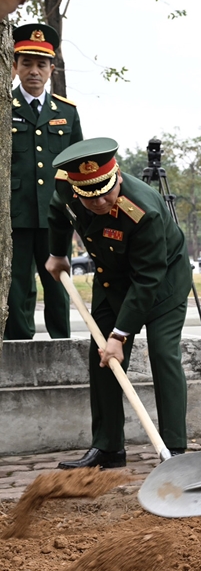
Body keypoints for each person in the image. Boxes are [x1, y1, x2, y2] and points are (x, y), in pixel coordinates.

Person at [44, 138, 192, 469]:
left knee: (163, 353)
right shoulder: (71, 189)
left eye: (104, 192)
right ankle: (108, 448)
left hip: (162, 282)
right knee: (102, 359)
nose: (97, 201)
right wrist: (57, 254)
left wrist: (119, 335)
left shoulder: (144, 211)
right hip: (112, 280)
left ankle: (175, 451)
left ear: (118, 178)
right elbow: (57, 212)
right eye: (89, 194)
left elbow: (148, 280)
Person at [5, 23, 83, 340]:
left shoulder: (66, 112)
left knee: (58, 284)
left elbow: (80, 167)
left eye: (41, 64)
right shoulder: (3, 107)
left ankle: (61, 346)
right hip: (15, 217)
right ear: (14, 65)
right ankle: (19, 350)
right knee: (17, 287)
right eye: (26, 63)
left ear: (52, 68)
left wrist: (79, 215)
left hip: (56, 218)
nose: (33, 71)